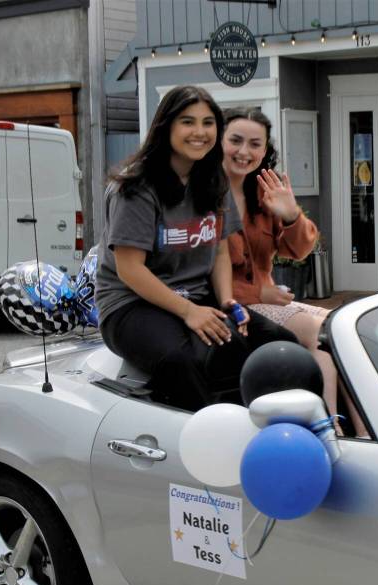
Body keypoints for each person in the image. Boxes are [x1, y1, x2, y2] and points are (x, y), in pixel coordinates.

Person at [94, 86, 297, 411]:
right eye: (188, 122)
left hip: (196, 295)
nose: (200, 132)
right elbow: (129, 270)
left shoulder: (212, 179)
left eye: (208, 123)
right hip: (131, 305)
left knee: (279, 343)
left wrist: (227, 300)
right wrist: (190, 313)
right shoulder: (135, 187)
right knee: (182, 360)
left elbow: (217, 250)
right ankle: (211, 435)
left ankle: (267, 426)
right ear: (166, 127)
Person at [222, 107, 367, 436]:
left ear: (264, 150)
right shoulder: (202, 196)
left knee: (342, 325)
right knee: (322, 335)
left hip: (269, 301)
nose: (245, 152)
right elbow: (202, 272)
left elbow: (299, 249)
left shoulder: (264, 190)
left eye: (255, 144)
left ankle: (364, 427)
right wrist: (259, 293)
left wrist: (290, 215)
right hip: (232, 303)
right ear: (219, 142)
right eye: (236, 140)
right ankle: (331, 426)